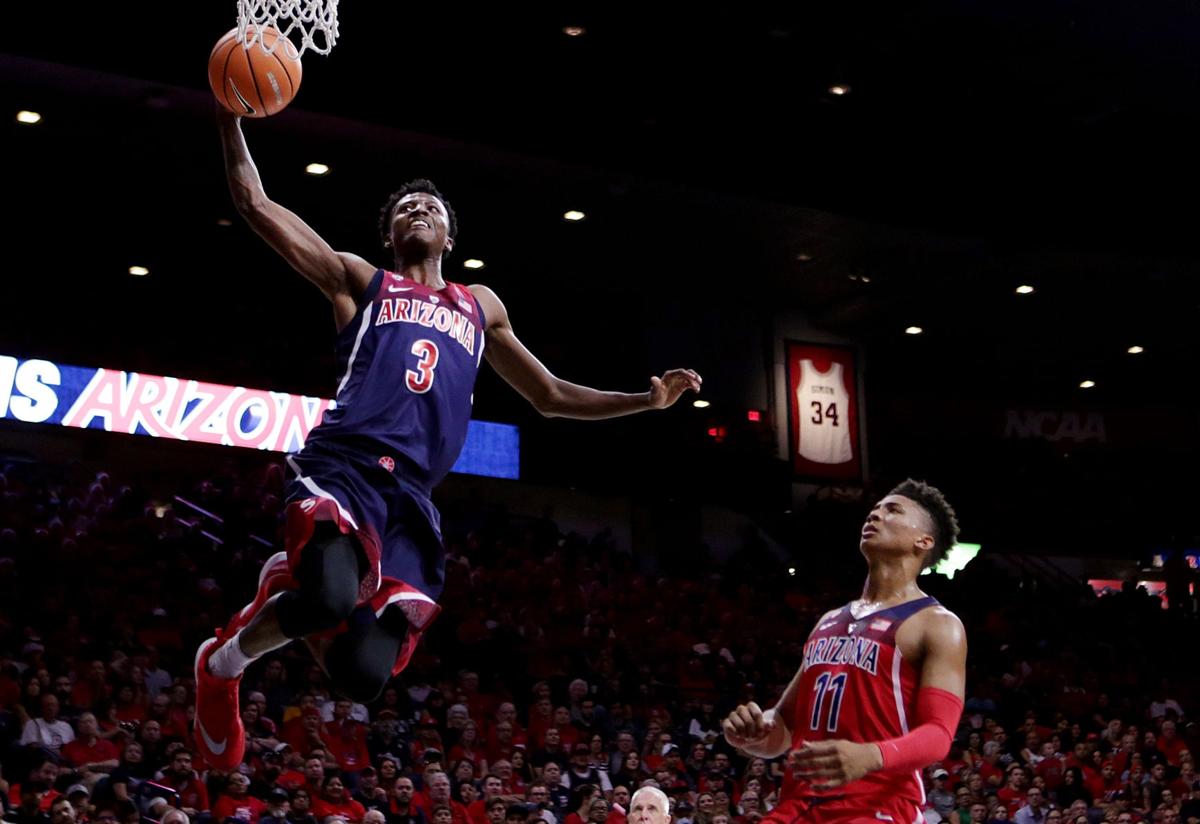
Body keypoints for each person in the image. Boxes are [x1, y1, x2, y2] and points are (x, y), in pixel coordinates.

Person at [195, 108, 703, 771]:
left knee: (363, 677)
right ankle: (222, 664)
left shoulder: (480, 305)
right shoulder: (361, 283)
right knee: (325, 599)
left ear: (448, 234)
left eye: (429, 206)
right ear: (391, 232)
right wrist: (230, 115)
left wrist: (646, 399)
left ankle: (293, 580)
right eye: (405, 207)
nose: (417, 210)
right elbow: (255, 202)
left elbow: (549, 396)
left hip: (410, 497)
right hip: (345, 465)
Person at [721, 480, 968, 824]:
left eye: (892, 510)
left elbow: (939, 735)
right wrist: (752, 735)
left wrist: (869, 756)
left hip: (876, 806)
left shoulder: (937, 624)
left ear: (923, 541)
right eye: (875, 509)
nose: (876, 514)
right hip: (798, 805)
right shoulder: (829, 620)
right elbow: (784, 729)